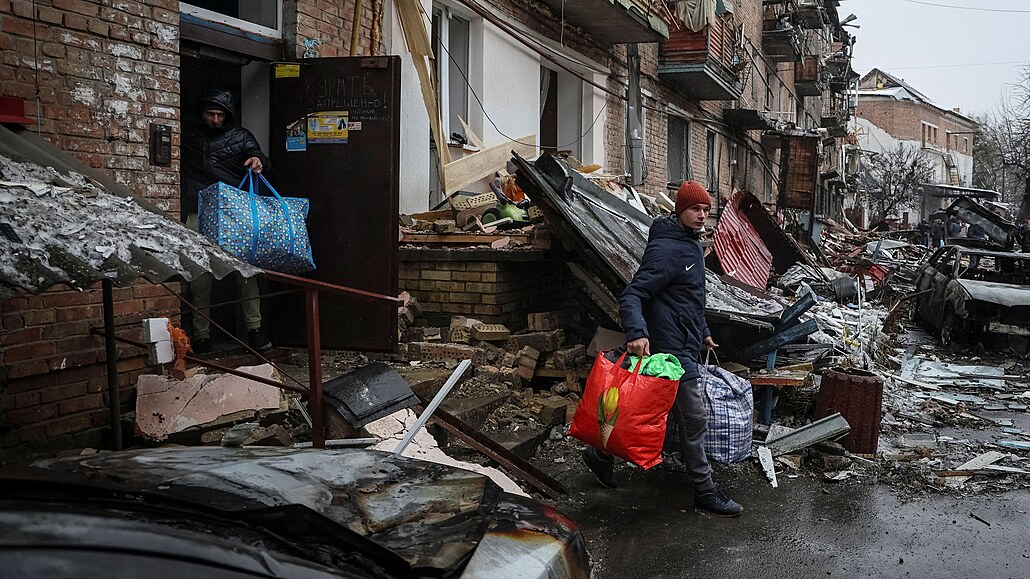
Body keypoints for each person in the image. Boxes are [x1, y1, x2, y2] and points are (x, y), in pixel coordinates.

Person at [581, 180, 743, 517]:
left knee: (644, 411)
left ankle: (600, 454)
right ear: (680, 209)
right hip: (670, 351)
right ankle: (705, 490)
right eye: (695, 209)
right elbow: (633, 294)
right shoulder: (668, 249)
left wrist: (703, 332)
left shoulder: (691, 244)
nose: (702, 215)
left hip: (684, 341)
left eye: (706, 210)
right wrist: (637, 332)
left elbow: (688, 298)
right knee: (695, 419)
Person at [182, 89, 273, 354]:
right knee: (199, 276)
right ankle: (201, 336)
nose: (215, 119)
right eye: (210, 114)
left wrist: (258, 161)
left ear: (228, 115)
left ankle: (255, 330)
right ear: (201, 113)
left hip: (234, 213)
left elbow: (261, 159)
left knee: (246, 273)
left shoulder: (240, 137)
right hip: (199, 210)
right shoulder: (188, 135)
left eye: (220, 115)